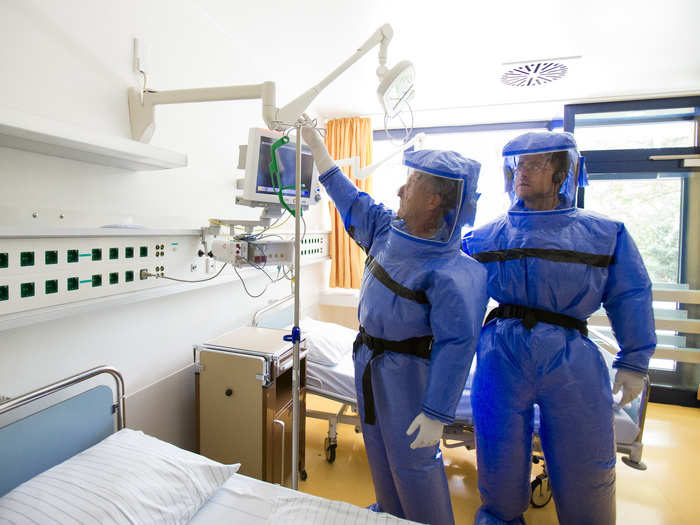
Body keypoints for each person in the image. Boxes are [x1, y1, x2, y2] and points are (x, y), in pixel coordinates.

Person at [462, 131, 656, 525]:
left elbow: (630, 295)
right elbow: (458, 298)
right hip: (501, 353)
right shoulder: (484, 236)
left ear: (562, 173)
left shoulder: (604, 233)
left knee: (586, 462)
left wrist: (635, 360)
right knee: (497, 457)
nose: (523, 172)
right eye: (519, 164)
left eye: (537, 164)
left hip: (570, 357)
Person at [302, 124, 488, 525]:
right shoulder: (388, 231)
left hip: (410, 375)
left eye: (412, 183)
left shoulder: (453, 271)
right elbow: (349, 199)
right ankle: (389, 514)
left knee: (414, 465)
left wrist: (437, 412)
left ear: (434, 200)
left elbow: (458, 346)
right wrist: (317, 146)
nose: (401, 191)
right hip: (368, 361)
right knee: (379, 450)